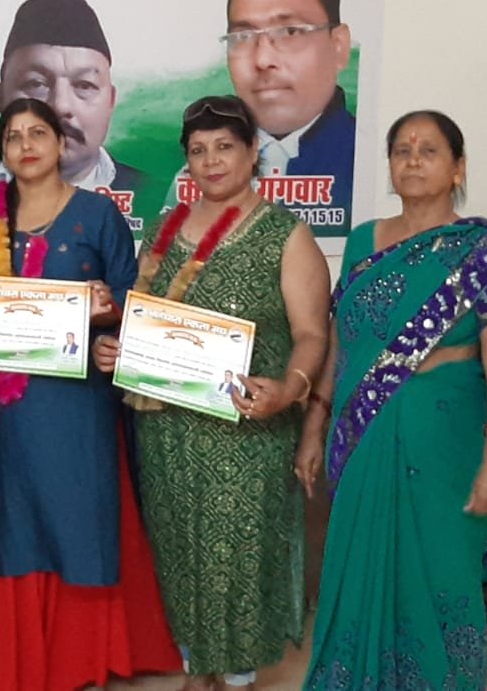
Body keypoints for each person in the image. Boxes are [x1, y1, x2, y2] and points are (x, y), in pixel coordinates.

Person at [92, 94, 328, 690]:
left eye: (225, 146)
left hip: (247, 428)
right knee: (181, 552)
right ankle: (198, 669)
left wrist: (290, 389)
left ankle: (238, 677)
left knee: (238, 554)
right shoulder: (164, 232)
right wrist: (118, 349)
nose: (212, 161)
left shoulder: (285, 236)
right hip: (167, 431)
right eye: (198, 151)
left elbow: (311, 334)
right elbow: (147, 321)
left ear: (252, 153)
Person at [0, 97, 181, 690]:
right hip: (7, 408)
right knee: (17, 519)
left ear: (60, 143)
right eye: (14, 136)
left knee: (80, 516)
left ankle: (82, 657)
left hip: (77, 403)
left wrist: (107, 311)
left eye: (38, 133)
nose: (26, 145)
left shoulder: (96, 215)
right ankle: (22, 653)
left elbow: (132, 301)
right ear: (2, 151)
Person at [293, 110, 487, 689]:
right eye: (402, 150)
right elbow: (341, 342)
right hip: (363, 436)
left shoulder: (486, 249)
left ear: (458, 167)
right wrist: (315, 426)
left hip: (445, 440)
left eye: (429, 150)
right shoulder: (364, 240)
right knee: (359, 573)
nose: (413, 160)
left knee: (440, 576)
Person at [221, 0, 356, 234]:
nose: (262, 60)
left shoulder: (366, 161)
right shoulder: (198, 170)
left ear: (338, 46)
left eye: (290, 32)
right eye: (243, 36)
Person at [0, 0, 144, 206]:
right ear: (1, 99)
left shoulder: (153, 196)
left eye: (84, 85)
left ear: (111, 101)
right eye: (36, 84)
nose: (60, 106)